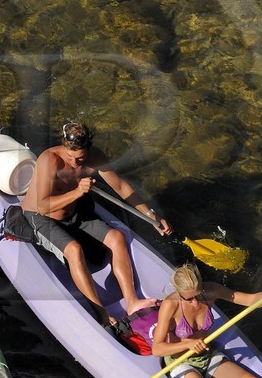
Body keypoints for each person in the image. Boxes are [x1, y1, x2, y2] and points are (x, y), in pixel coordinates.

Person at [20, 117, 164, 327]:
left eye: (80, 158)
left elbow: (121, 187)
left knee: (116, 237)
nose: (75, 162)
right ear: (64, 147)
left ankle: (132, 301)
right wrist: (78, 191)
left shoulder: (95, 157)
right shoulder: (49, 160)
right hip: (42, 217)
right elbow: (43, 205)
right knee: (74, 249)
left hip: (76, 214)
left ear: (88, 150)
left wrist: (151, 216)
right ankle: (101, 312)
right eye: (71, 157)